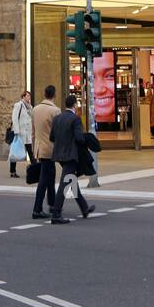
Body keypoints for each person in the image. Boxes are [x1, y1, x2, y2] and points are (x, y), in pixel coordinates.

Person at [49, 94, 95, 224]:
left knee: (71, 180)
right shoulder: (75, 119)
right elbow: (79, 138)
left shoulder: (57, 118)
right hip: (71, 155)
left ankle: (84, 207)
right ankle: (56, 213)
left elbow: (52, 137)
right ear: (74, 104)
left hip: (59, 155)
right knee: (65, 183)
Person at [31, 84, 60, 219]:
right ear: (54, 95)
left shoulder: (35, 109)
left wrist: (33, 149)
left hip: (39, 148)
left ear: (44, 94)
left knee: (50, 176)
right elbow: (58, 132)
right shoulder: (55, 111)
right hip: (50, 148)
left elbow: (33, 131)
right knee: (44, 180)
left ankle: (53, 204)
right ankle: (37, 209)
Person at [9, 89, 34, 177]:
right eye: (28, 96)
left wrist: (30, 108)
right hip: (20, 133)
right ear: (23, 97)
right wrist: (16, 132)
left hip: (27, 134)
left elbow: (31, 117)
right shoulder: (18, 105)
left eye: (29, 96)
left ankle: (35, 169)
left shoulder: (29, 106)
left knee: (30, 152)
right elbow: (14, 118)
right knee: (15, 151)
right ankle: (12, 171)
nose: (29, 97)